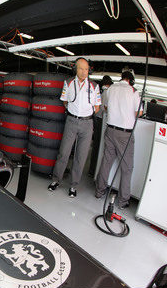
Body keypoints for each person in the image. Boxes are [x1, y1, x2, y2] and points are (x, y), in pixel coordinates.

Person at [48, 58, 101, 198]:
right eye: (81, 69)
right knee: (63, 153)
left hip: (87, 124)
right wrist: (74, 113)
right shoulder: (68, 83)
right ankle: (56, 180)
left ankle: (73, 186)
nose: (84, 72)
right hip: (71, 121)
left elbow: (97, 107)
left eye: (86, 69)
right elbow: (64, 101)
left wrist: (85, 115)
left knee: (81, 156)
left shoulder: (95, 86)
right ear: (75, 69)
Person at [95, 71, 142, 209]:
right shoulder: (133, 91)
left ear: (122, 78)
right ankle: (122, 201)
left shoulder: (111, 89)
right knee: (127, 168)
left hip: (110, 130)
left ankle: (99, 192)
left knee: (106, 162)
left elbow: (105, 107)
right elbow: (138, 112)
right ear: (131, 81)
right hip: (125, 134)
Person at [89, 75, 113, 176]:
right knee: (98, 146)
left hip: (97, 119)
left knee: (96, 146)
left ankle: (91, 170)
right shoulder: (108, 92)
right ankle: (93, 171)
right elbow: (106, 108)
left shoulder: (100, 90)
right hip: (101, 121)